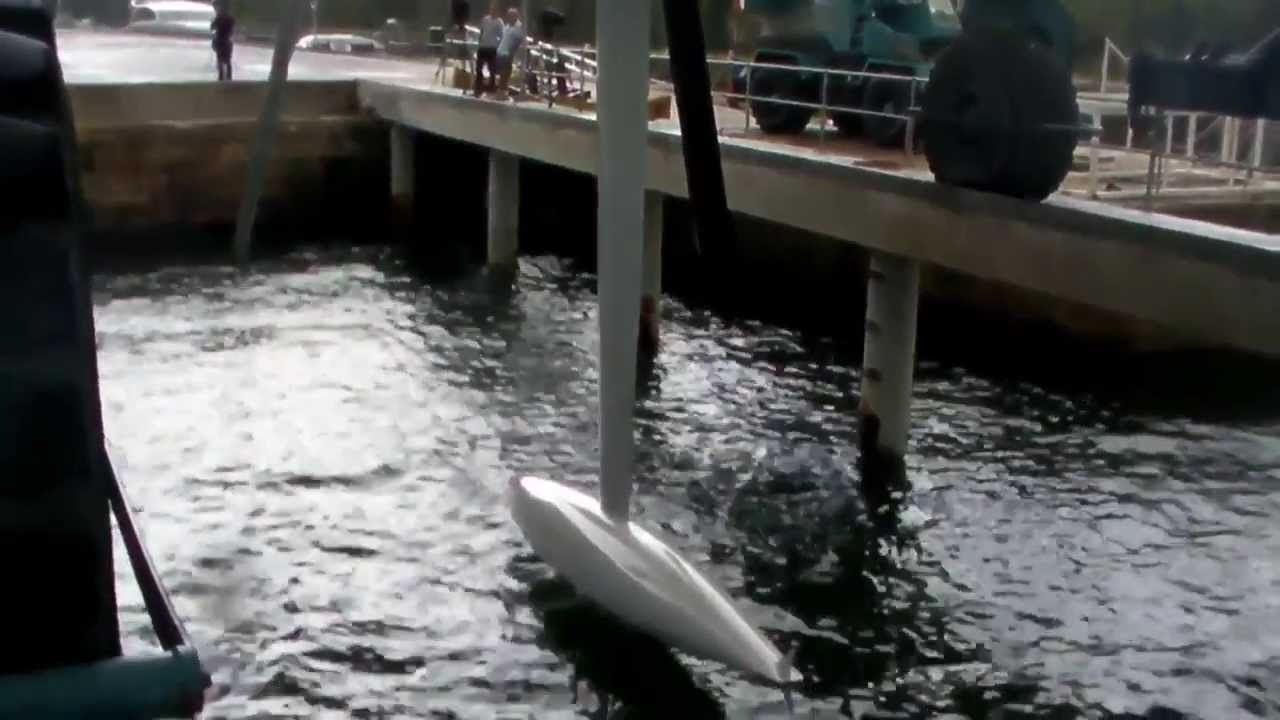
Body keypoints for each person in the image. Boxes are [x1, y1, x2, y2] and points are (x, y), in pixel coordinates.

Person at [474, 3, 504, 97]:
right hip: (483, 46)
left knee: (492, 68)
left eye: (494, 9)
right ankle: (478, 85)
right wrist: (479, 41)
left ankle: (491, 85)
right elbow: (481, 31)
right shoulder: (485, 19)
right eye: (492, 9)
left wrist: (499, 45)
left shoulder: (499, 22)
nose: (493, 10)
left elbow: (502, 35)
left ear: (497, 10)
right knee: (479, 67)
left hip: (492, 47)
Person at [496, 7, 526, 94]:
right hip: (500, 51)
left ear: (516, 16)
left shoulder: (519, 27)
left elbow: (519, 40)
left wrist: (512, 51)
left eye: (511, 16)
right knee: (501, 71)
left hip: (508, 52)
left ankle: (502, 89)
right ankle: (501, 88)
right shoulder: (507, 26)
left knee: (505, 71)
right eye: (508, 15)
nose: (508, 17)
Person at [211, 1, 235, 81]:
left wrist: (214, 38)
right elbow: (232, 30)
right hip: (226, 40)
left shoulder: (218, 18)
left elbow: (213, 29)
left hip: (221, 40)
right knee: (227, 60)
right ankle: (228, 77)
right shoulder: (229, 18)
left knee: (221, 59)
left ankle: (222, 77)